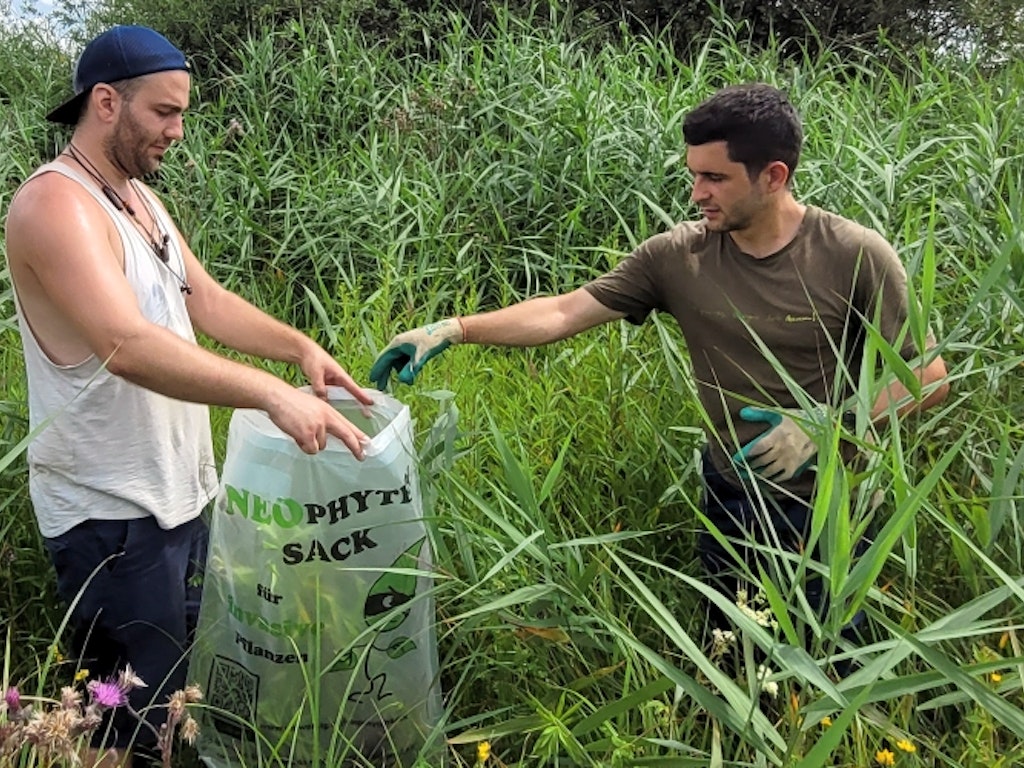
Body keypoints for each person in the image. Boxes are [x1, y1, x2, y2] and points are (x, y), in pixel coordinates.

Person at [370, 83, 950, 646]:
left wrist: (827, 426)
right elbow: (563, 311)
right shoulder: (678, 257)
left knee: (830, 653)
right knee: (732, 647)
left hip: (830, 505)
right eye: (694, 174)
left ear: (774, 176)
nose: (698, 193)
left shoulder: (851, 254)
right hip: (729, 491)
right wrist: (455, 328)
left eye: (715, 178)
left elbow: (927, 377)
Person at [4, 25, 371, 767]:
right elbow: (127, 344)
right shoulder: (55, 206)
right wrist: (270, 395)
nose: (178, 131)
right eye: (164, 112)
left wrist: (299, 349)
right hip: (110, 516)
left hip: (176, 499)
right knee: (128, 732)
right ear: (106, 102)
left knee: (175, 708)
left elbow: (203, 300)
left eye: (182, 113)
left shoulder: (136, 198)